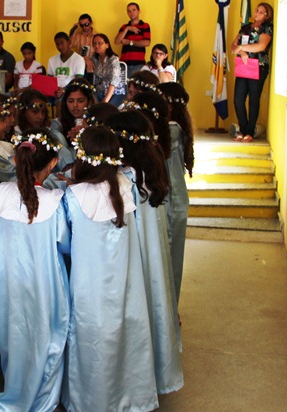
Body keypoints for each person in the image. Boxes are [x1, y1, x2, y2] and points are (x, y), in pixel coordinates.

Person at [61, 126, 158, 412]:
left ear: (82, 156)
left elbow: (65, 243)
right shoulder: (128, 188)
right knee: (127, 334)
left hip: (88, 284)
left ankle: (89, 400)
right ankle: (134, 397)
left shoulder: (73, 197)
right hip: (127, 282)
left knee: (91, 337)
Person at [0, 130, 69, 412]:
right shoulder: (56, 200)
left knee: (14, 333)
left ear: (16, 158)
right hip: (45, 283)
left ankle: (15, 390)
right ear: (53, 163)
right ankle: (44, 399)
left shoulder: (0, 194)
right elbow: (65, 244)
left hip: (10, 281)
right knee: (48, 337)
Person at [106, 111, 184, 395]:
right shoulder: (151, 171)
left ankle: (135, 382)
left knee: (136, 312)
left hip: (133, 261)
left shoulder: (124, 180)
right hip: (152, 258)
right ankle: (158, 372)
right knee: (154, 304)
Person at [158, 82, 195, 310]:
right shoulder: (172, 127)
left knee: (171, 258)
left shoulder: (171, 130)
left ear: (169, 105)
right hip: (174, 199)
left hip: (173, 202)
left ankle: (170, 311)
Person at [231, 2, 274, 142]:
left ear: (267, 15)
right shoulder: (245, 28)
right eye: (256, 11)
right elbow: (233, 46)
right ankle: (242, 130)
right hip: (243, 66)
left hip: (258, 67)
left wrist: (243, 47)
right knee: (238, 99)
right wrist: (242, 51)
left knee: (254, 100)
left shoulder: (267, 28)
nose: (257, 13)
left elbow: (261, 46)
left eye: (261, 12)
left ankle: (249, 132)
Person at [50, 79, 95, 170]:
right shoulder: (58, 123)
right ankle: (69, 168)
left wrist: (86, 133)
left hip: (90, 167)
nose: (75, 105)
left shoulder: (96, 121)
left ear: (89, 101)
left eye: (80, 101)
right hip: (65, 169)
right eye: (70, 101)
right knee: (55, 135)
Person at [114, 2, 151, 77]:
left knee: (136, 87)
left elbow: (147, 43)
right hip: (124, 64)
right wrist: (127, 28)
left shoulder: (145, 26)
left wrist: (129, 42)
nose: (131, 13)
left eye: (134, 10)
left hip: (139, 64)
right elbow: (116, 41)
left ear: (139, 11)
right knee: (124, 88)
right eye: (129, 11)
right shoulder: (124, 27)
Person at [90, 34, 125, 107]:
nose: (96, 46)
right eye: (94, 43)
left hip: (115, 92)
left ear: (107, 45)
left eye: (100, 43)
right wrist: (86, 59)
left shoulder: (113, 59)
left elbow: (114, 82)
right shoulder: (95, 58)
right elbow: (85, 59)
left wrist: (105, 101)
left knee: (107, 109)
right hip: (100, 91)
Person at [47, 32, 85, 97]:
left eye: (62, 43)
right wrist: (54, 89)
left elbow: (78, 81)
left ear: (69, 42)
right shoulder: (52, 60)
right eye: (57, 44)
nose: (60, 47)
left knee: (60, 102)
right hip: (54, 91)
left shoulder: (79, 59)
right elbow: (49, 79)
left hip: (70, 91)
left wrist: (64, 90)